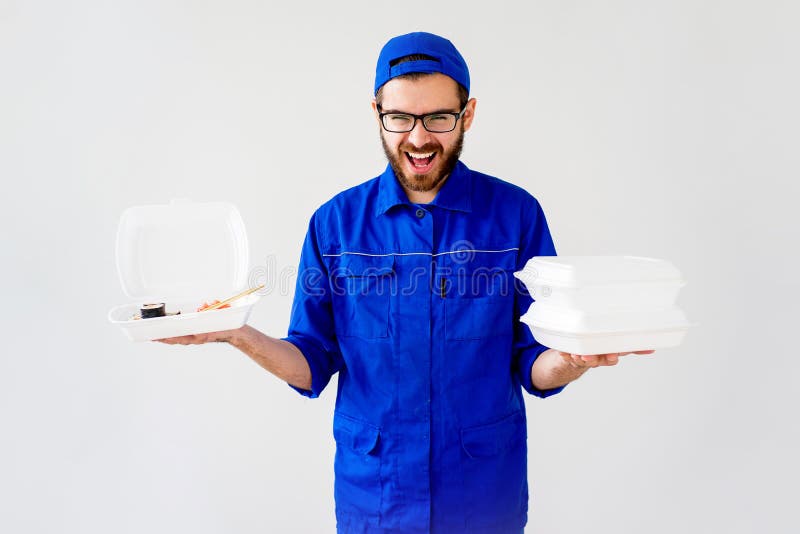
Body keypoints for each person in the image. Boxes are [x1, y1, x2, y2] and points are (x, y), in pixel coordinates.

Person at [158, 32, 654, 534]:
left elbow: (533, 361)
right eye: (400, 118)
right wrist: (235, 333)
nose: (418, 139)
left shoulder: (515, 216)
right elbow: (309, 364)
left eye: (439, 117)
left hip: (483, 495)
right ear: (377, 112)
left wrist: (572, 358)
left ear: (469, 113)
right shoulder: (335, 225)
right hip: (376, 497)